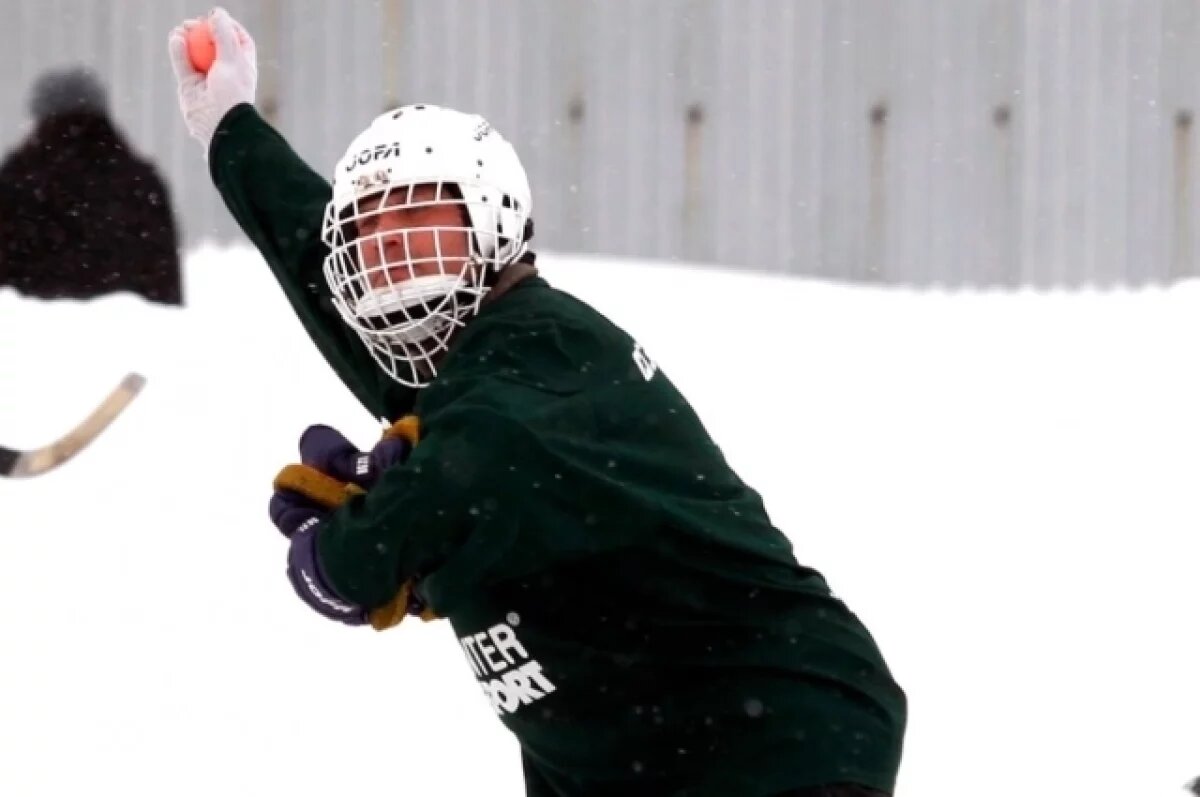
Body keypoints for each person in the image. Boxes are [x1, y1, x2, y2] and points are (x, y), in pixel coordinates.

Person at [168, 9, 907, 796]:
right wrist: (231, 130)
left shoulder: (547, 349)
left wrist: (362, 545)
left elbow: (473, 462)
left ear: (491, 217)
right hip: (626, 760)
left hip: (774, 740)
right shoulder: (448, 374)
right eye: (370, 225)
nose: (387, 239)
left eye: (416, 211)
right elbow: (324, 273)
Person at [0, 66, 182, 305]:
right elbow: (165, 290)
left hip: (34, 337)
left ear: (39, 116)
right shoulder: (141, 182)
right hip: (132, 336)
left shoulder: (16, 181)